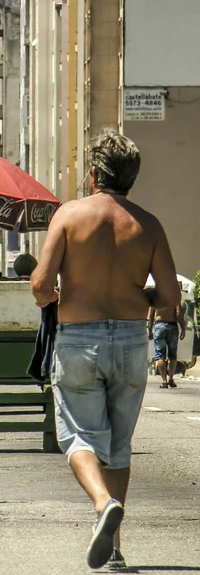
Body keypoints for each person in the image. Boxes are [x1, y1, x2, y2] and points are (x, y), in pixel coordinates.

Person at [31, 129, 180, 570]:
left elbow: (40, 286)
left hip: (79, 338)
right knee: (119, 445)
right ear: (132, 177)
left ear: (94, 173)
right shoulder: (148, 224)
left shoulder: (70, 216)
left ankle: (101, 504)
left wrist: (59, 298)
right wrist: (141, 299)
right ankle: (114, 546)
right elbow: (170, 297)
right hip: (133, 340)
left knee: (78, 434)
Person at [148, 296, 185, 388]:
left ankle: (164, 381)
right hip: (172, 326)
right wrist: (183, 328)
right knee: (172, 355)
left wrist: (149, 330)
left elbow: (151, 315)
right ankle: (171, 379)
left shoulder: (156, 298)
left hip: (159, 326)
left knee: (160, 355)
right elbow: (178, 313)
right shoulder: (174, 297)